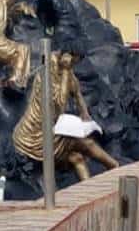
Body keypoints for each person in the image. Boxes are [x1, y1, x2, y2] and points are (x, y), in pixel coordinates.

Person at [13, 50, 121, 181]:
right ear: (68, 56)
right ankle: (115, 168)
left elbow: (76, 91)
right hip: (35, 135)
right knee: (88, 144)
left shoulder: (65, 68)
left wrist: (85, 113)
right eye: (76, 59)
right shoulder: (48, 72)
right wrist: (65, 70)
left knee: (77, 158)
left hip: (51, 128)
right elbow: (60, 103)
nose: (76, 63)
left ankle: (89, 191)